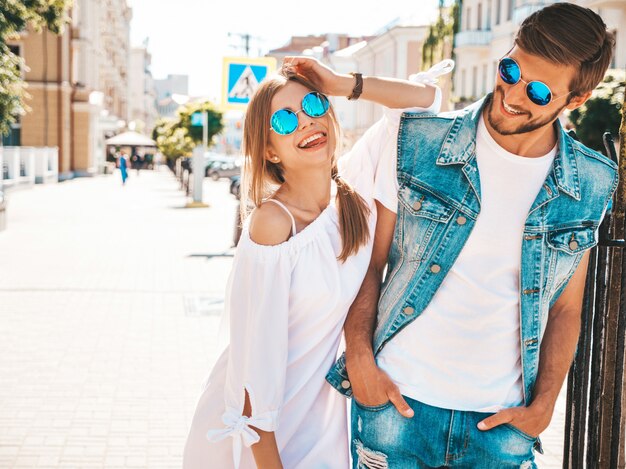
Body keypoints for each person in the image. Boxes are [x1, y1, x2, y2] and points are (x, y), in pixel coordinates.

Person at [299, 3, 616, 468]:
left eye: (540, 90)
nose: (513, 93)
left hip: (501, 428)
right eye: (510, 69)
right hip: (397, 410)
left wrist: (545, 404)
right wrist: (361, 362)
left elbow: (567, 307)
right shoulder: (420, 143)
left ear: (575, 101)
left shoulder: (590, 182)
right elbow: (369, 262)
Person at [182, 60, 453, 468]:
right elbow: (252, 371)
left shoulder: (354, 189)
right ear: (269, 149)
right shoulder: (273, 224)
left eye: (312, 105)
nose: (306, 122)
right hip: (265, 435)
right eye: (285, 120)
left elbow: (426, 102)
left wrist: (343, 84)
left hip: (324, 421)